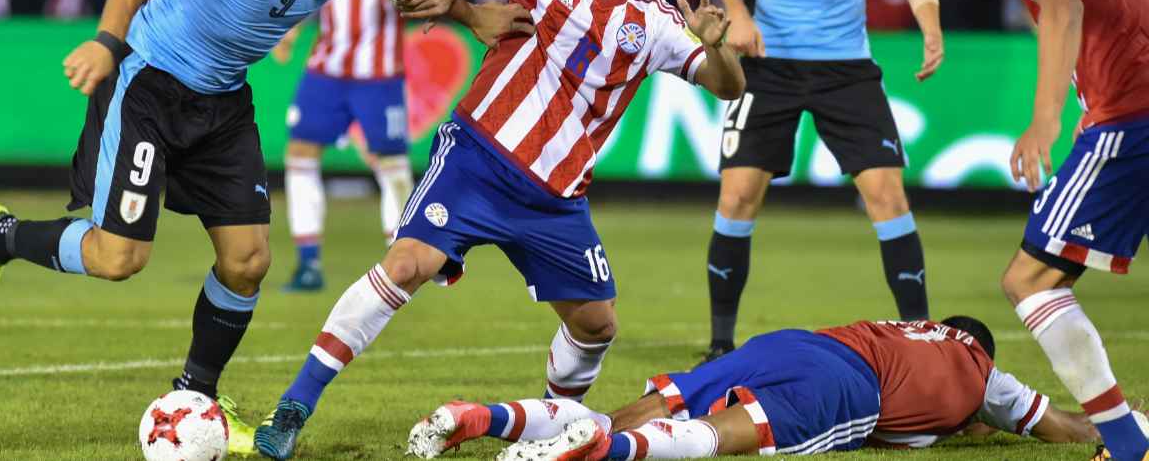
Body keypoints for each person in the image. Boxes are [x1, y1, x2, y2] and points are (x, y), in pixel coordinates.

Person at [253, 0, 747, 460]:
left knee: (597, 325)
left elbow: (727, 87)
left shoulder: (659, 24)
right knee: (407, 263)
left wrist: (715, 47)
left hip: (555, 199)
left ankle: (551, 428)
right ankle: (294, 407)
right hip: (476, 159)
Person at [0, 0, 417, 455]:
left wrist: (473, 13)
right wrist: (106, 43)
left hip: (223, 105)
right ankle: (1, 236)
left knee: (247, 261)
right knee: (118, 257)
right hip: (151, 82)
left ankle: (197, 396)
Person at [703, 0, 944, 362]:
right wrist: (736, 14)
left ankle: (929, 346)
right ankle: (718, 346)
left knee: (887, 197)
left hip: (846, 65)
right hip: (770, 60)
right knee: (737, 198)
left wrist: (930, 25)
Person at [974, 0, 1149, 461]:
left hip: (1129, 116)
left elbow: (1061, 3)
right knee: (1048, 274)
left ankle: (1129, 443)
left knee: (1030, 279)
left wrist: (1044, 119)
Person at [409, 317, 1101, 459]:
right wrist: (1125, 426)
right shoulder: (986, 373)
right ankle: (603, 452)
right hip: (850, 389)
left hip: (801, 340)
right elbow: (1066, 426)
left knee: (661, 402)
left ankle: (490, 415)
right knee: (730, 436)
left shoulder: (904, 327)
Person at [272, 0, 423, 293]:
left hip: (378, 71)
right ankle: (308, 263)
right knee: (300, 154)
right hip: (328, 65)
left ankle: (405, 260)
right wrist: (292, 30)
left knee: (391, 162)